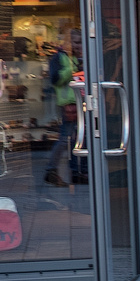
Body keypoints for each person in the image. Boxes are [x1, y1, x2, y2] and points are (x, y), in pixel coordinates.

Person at [44, 31, 79, 187]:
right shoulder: (59, 58)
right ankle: (51, 170)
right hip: (68, 103)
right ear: (68, 43)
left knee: (78, 138)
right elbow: (56, 80)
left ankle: (78, 172)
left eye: (80, 42)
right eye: (76, 42)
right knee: (65, 139)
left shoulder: (75, 57)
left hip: (79, 102)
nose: (79, 46)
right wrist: (71, 69)